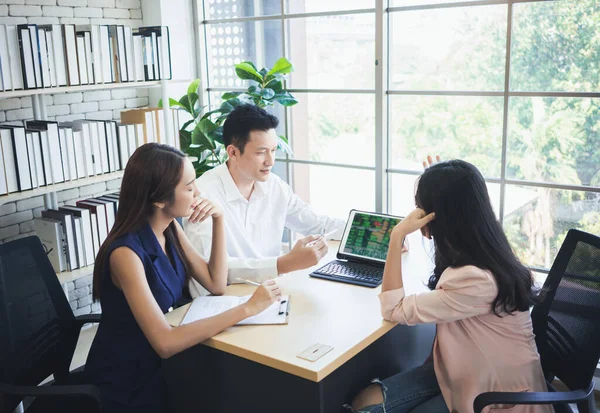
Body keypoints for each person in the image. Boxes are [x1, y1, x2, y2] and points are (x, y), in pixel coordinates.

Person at [84, 143, 282, 413]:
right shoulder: (125, 254)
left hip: (167, 366)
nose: (198, 194)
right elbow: (165, 343)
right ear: (159, 199)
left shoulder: (170, 228)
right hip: (131, 380)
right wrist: (247, 309)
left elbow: (215, 283)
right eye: (189, 188)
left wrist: (219, 218)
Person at [348, 158, 552, 413]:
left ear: (436, 218)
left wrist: (396, 235)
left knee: (367, 409)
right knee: (362, 402)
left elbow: (392, 309)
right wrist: (442, 181)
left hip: (493, 395)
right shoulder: (486, 252)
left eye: (422, 209)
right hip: (462, 373)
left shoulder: (475, 279)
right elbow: (460, 194)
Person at [184, 104, 346, 297]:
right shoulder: (202, 195)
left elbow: (318, 224)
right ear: (233, 152)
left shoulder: (273, 186)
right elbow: (212, 271)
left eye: (273, 150)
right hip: (220, 303)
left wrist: (379, 233)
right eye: (261, 153)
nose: (270, 161)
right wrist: (286, 263)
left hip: (266, 297)